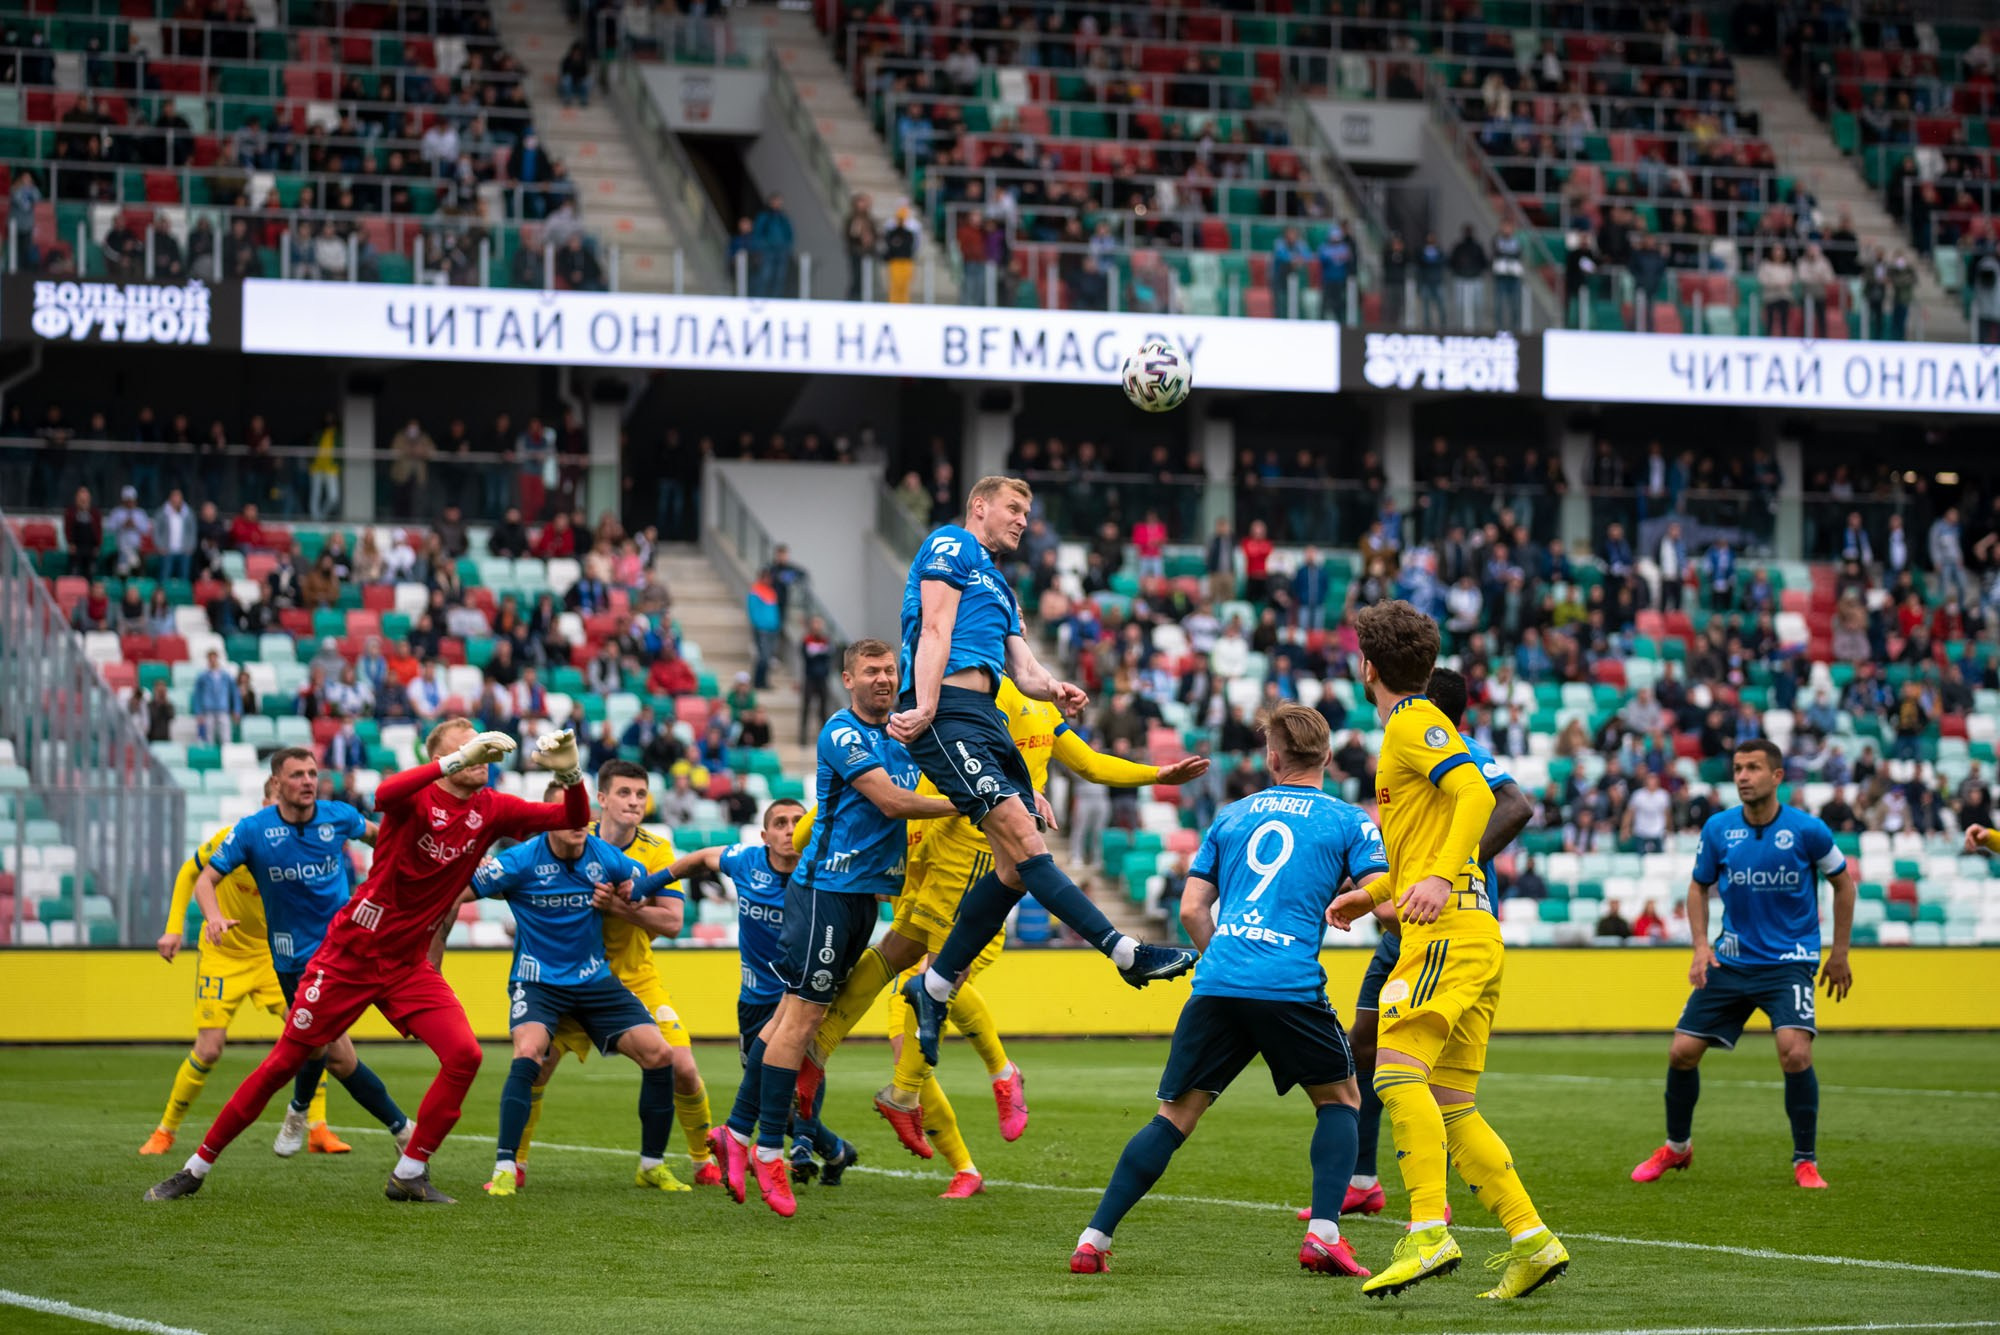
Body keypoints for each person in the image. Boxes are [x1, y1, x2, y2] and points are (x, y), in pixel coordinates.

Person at [144, 722, 589, 1204]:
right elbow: (383, 792)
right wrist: (455, 761)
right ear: (440, 759)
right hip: (349, 956)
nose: (479, 753)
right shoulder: (415, 798)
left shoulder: (492, 808)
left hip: (406, 963)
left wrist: (572, 775)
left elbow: (572, 819)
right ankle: (195, 1167)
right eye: (465, 747)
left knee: (466, 1055)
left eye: (481, 744)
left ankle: (409, 1172)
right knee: (285, 1063)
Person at [795, 675, 1210, 1181]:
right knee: (902, 952)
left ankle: (933, 1087)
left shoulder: (993, 691)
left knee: (934, 974)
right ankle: (833, 1057)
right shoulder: (976, 686)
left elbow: (1086, 763)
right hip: (941, 834)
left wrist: (1159, 774)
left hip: (975, 842)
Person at [1070, 703, 1382, 1279]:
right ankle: (1324, 1235)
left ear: (1272, 757)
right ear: (1329, 756)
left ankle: (1094, 1239)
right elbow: (1383, 900)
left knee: (1174, 1117)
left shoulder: (1232, 816)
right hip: (1288, 982)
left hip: (1219, 978)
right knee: (1341, 1101)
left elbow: (1191, 909)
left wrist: (1225, 959)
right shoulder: (1349, 821)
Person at [895, 478, 1197, 1070]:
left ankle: (931, 988)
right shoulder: (950, 545)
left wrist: (1053, 687)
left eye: (1027, 513)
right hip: (948, 715)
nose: (1022, 521)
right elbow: (934, 628)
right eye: (1014, 508)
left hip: (985, 717)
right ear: (979, 506)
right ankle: (1125, 951)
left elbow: (1023, 668)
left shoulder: (1000, 584)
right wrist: (926, 704)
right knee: (1029, 843)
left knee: (1011, 869)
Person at [1326, 601, 1568, 1299]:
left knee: (1396, 1075)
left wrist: (1436, 876)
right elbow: (1432, 829)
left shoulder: (1412, 720)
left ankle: (1426, 1231)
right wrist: (1372, 897)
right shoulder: (1408, 728)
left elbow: (1473, 792)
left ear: (1366, 667)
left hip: (1446, 934)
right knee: (1451, 1101)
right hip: (1469, 931)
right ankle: (1531, 1238)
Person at [712, 640, 957, 1217]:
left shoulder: (903, 736)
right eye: (871, 671)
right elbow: (893, 803)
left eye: (890, 670)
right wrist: (965, 803)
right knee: (799, 1021)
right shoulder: (842, 734)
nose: (883, 678)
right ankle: (770, 1150)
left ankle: (738, 1132)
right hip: (825, 893)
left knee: (793, 1020)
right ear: (848, 678)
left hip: (861, 902)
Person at [1307, 666, 1532, 1226]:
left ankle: (1429, 1219)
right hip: (1407, 921)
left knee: (1404, 1072)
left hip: (1443, 922)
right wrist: (1375, 891)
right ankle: (1370, 1181)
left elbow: (1511, 804)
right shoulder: (1405, 740)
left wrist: (1447, 872)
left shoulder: (1436, 737)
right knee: (1367, 1044)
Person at [1630, 739, 1856, 1191]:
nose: (1742, 776)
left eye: (1753, 768)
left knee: (1794, 1052)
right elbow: (1698, 888)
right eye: (1737, 768)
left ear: (1776, 777)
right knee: (1681, 1052)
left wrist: (1839, 953)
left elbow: (1844, 885)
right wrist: (1699, 946)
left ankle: (1805, 1161)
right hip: (1730, 960)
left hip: (1788, 962)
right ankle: (1677, 1148)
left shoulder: (1809, 830)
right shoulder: (1718, 829)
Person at [495, 761, 718, 1193]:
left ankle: (702, 1160)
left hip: (634, 978)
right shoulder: (571, 836)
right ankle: (515, 1163)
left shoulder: (656, 849)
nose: (634, 802)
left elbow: (672, 923)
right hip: (566, 980)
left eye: (640, 794)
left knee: (683, 1067)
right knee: (536, 1067)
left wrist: (617, 907)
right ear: (600, 800)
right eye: (624, 793)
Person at [182, 750, 411, 1159]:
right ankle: (317, 1112)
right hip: (292, 961)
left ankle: (395, 1127)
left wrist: (387, 879)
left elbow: (382, 838)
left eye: (312, 773)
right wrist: (213, 916)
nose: (308, 781)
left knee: (327, 1048)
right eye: (297, 775)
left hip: (342, 951)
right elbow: (205, 879)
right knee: (332, 1054)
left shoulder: (337, 815)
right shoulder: (253, 831)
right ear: (277, 783)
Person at [142, 782, 336, 1155]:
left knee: (313, 1031)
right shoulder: (235, 838)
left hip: (272, 956)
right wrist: (173, 927)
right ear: (267, 803)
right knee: (210, 1049)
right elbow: (189, 873)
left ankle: (318, 1128)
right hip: (224, 953)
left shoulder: (303, 847)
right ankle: (166, 1131)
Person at [670, 799, 858, 1184]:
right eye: (780, 822)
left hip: (802, 997)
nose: (790, 829)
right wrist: (648, 883)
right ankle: (836, 1150)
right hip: (755, 1002)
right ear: (765, 835)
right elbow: (702, 857)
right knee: (766, 1096)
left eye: (797, 821)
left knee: (803, 1072)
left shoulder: (826, 872)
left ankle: (801, 1145)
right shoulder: (746, 862)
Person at [798, 615, 834, 746]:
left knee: (823, 709)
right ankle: (802, 737)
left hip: (822, 678)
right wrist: (820, 653)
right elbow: (806, 656)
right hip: (810, 678)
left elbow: (829, 655)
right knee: (806, 708)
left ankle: (824, 737)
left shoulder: (826, 640)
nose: (817, 627)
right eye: (815, 624)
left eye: (819, 624)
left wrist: (816, 653)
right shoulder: (806, 640)